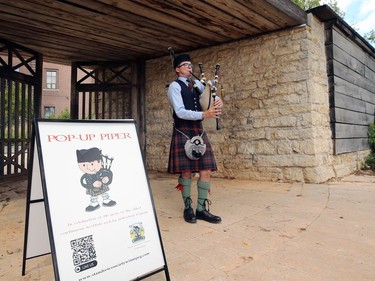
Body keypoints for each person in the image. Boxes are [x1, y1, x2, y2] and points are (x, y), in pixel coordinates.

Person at [167, 53, 222, 224]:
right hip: (183, 129)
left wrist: (218, 100)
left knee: (205, 170)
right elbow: (180, 111)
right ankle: (188, 207)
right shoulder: (174, 87)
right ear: (177, 69)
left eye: (190, 65)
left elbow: (211, 96)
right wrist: (205, 113)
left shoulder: (197, 83)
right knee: (187, 171)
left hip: (198, 129)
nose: (189, 68)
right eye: (185, 65)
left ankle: (201, 209)